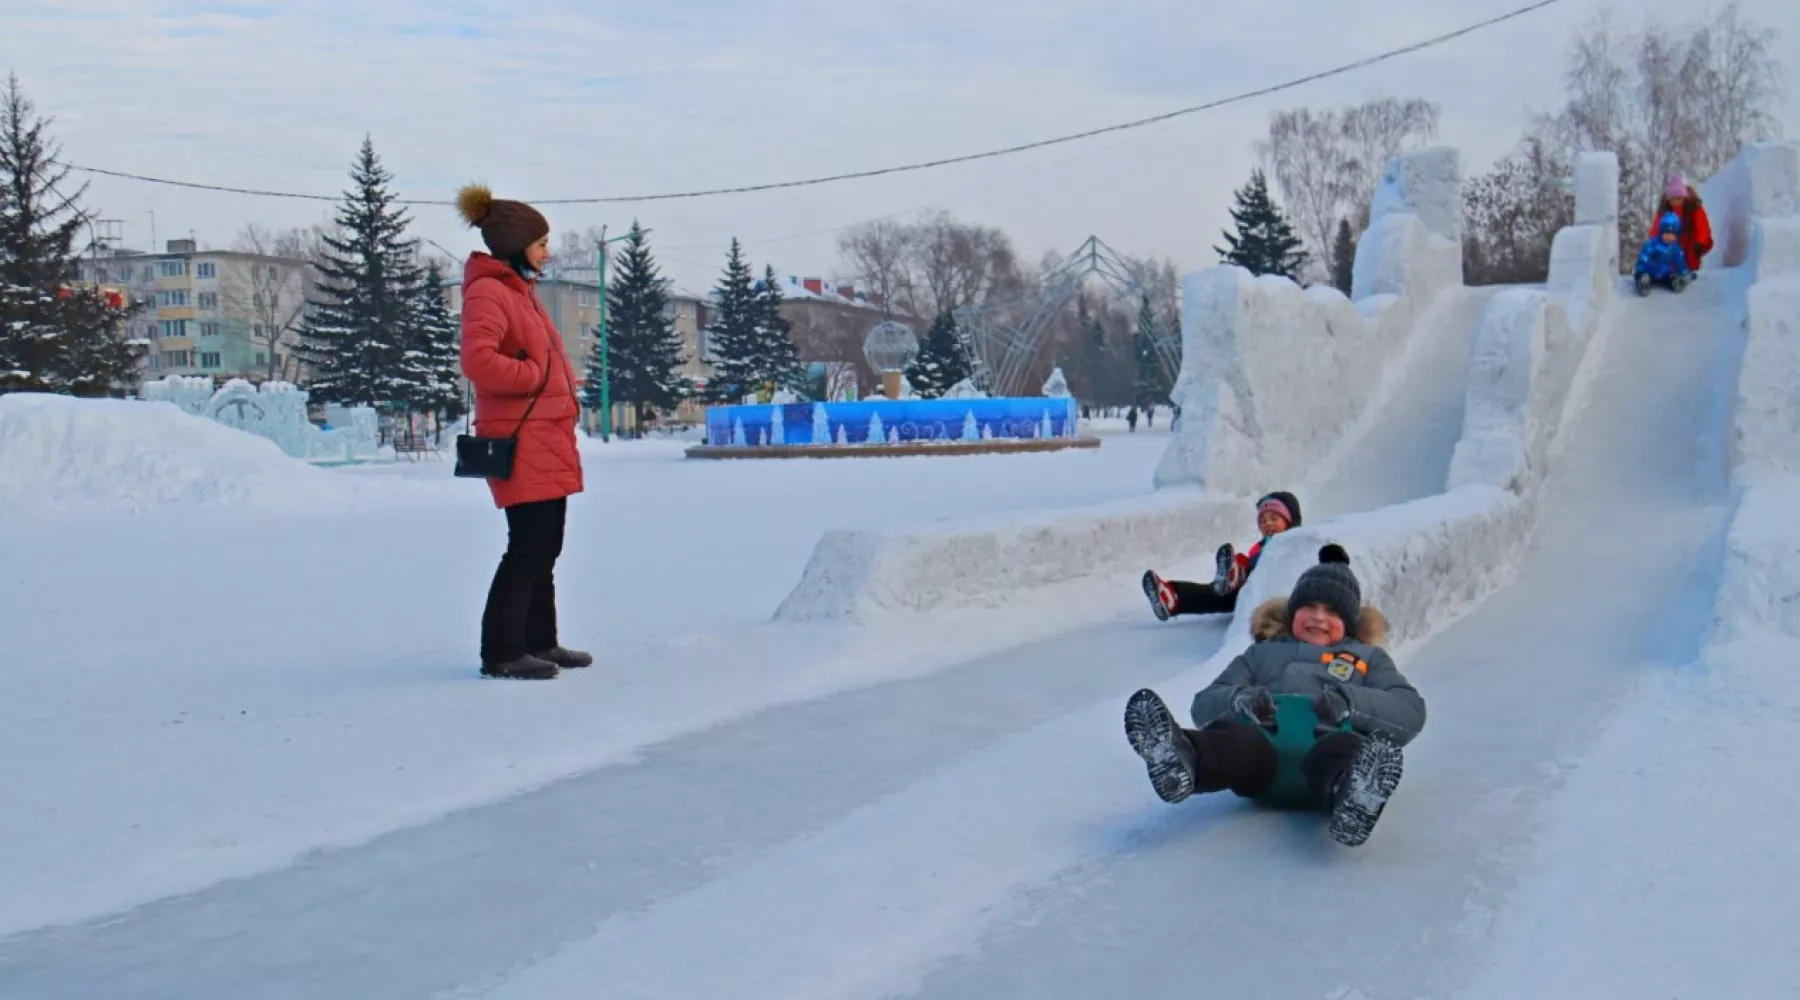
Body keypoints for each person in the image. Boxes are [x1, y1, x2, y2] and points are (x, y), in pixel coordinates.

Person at [1123, 544, 1425, 846]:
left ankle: (1353, 796)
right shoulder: (1262, 654)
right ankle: (1183, 760)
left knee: (1346, 751)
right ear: (1293, 611)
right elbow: (1206, 702)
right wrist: (1239, 700)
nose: (1318, 618)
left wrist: (1352, 702)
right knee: (1232, 741)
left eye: (1332, 611)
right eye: (1308, 607)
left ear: (1348, 622)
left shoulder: (1367, 658)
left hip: (1328, 748)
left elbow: (1409, 710)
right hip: (1262, 753)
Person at [456, 183, 593, 680]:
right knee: (528, 546)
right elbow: (477, 360)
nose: (546, 251)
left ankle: (541, 642)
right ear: (516, 246)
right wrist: (534, 376)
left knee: (546, 546)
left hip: (546, 438)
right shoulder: (491, 292)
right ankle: (502, 652)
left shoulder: (521, 292)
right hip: (520, 439)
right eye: (539, 243)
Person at [1142, 491, 1300, 621]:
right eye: (1263, 521)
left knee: (1230, 587)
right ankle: (1173, 596)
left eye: (1274, 518)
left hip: (1273, 592)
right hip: (1248, 590)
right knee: (1217, 592)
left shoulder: (1299, 543)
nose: (1268, 524)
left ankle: (1235, 575)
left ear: (1290, 521)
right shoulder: (1259, 548)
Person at [1651, 173, 1713, 275]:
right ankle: (1670, 275)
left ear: (1684, 196)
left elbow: (1702, 225)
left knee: (1690, 260)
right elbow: (1656, 229)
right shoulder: (1665, 210)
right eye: (1672, 199)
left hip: (1690, 241)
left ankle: (1689, 275)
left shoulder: (1693, 206)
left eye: (1678, 198)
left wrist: (1701, 243)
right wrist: (1652, 245)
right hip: (1672, 240)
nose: (1675, 202)